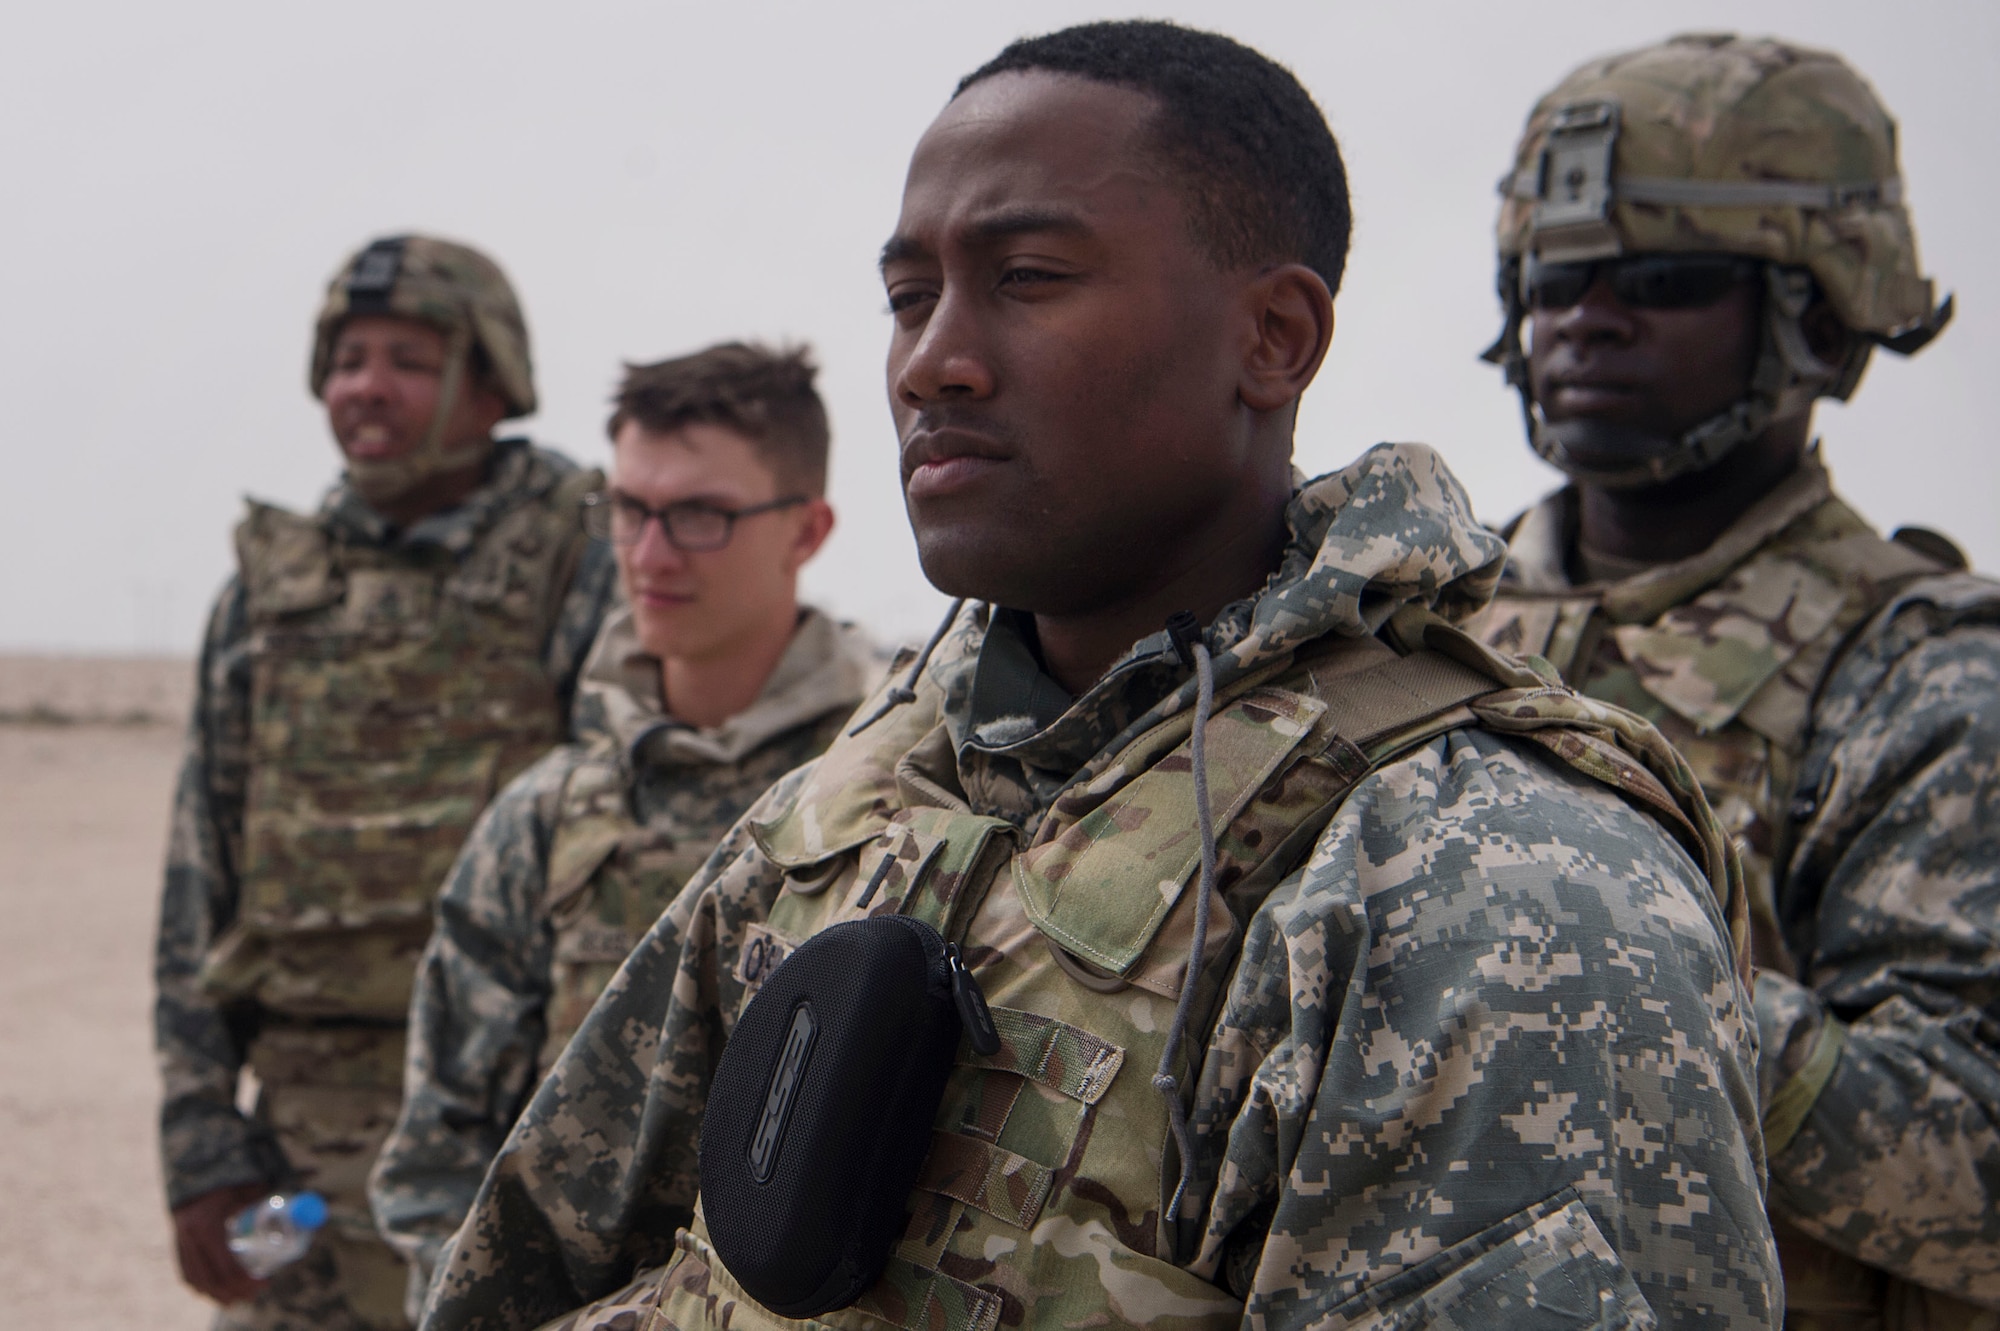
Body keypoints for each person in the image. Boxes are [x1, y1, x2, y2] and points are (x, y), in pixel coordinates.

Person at [423, 22, 1778, 1331]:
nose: (932, 361)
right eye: (909, 296)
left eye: (1028, 278)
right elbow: (561, 1250)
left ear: (1273, 339)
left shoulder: (1490, 881)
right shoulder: (878, 772)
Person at [1468, 33, 2000, 1328]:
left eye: (1664, 280)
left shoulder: (1927, 677)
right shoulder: (1421, 617)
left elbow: (1974, 1166)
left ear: (1823, 313)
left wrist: (1588, 950)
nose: (1588, 319)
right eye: (1557, 278)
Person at [154, 234, 620, 1330]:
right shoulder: (271, 592)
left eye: (407, 359)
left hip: (501, 1143)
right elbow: (198, 874)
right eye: (349, 356)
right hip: (299, 1173)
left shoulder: (578, 553)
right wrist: (198, 1136)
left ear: (491, 379)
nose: (365, 385)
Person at [367, 342, 882, 1318]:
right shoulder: (549, 817)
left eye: (698, 515)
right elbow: (443, 1149)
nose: (646, 555)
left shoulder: (895, 792)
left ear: (806, 529)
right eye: (627, 509)